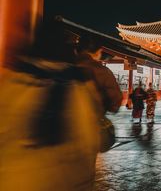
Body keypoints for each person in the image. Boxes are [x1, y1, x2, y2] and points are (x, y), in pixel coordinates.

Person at [0, 22, 110, 190]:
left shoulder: (10, 81)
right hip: (71, 179)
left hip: (19, 179)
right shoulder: (81, 84)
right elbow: (94, 135)